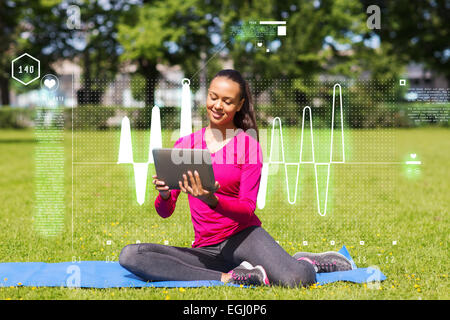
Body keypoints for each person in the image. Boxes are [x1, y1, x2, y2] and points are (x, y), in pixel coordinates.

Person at [119, 69, 352, 287]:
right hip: (206, 249)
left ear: (240, 105)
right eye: (213, 97)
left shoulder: (248, 146)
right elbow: (165, 211)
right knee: (132, 256)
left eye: (227, 101)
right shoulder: (186, 145)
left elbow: (247, 208)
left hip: (243, 237)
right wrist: (164, 194)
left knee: (295, 278)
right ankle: (230, 277)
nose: (217, 105)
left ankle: (307, 262)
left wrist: (212, 200)